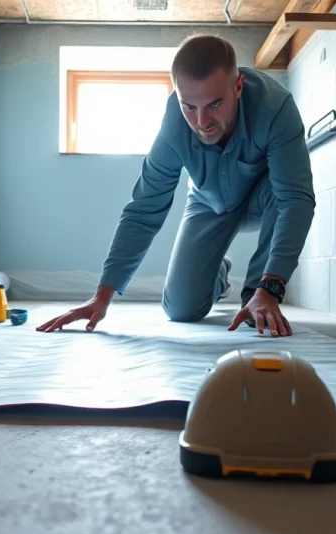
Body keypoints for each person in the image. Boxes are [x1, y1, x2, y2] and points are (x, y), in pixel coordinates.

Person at [37, 34, 315, 337]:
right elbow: (144, 209)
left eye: (215, 103)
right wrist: (102, 296)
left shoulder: (276, 108)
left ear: (238, 87)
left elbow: (295, 199)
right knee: (180, 309)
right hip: (209, 202)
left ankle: (257, 295)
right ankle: (217, 272)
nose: (201, 121)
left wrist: (271, 287)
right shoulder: (173, 127)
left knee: (282, 192)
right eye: (189, 106)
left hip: (266, 197)